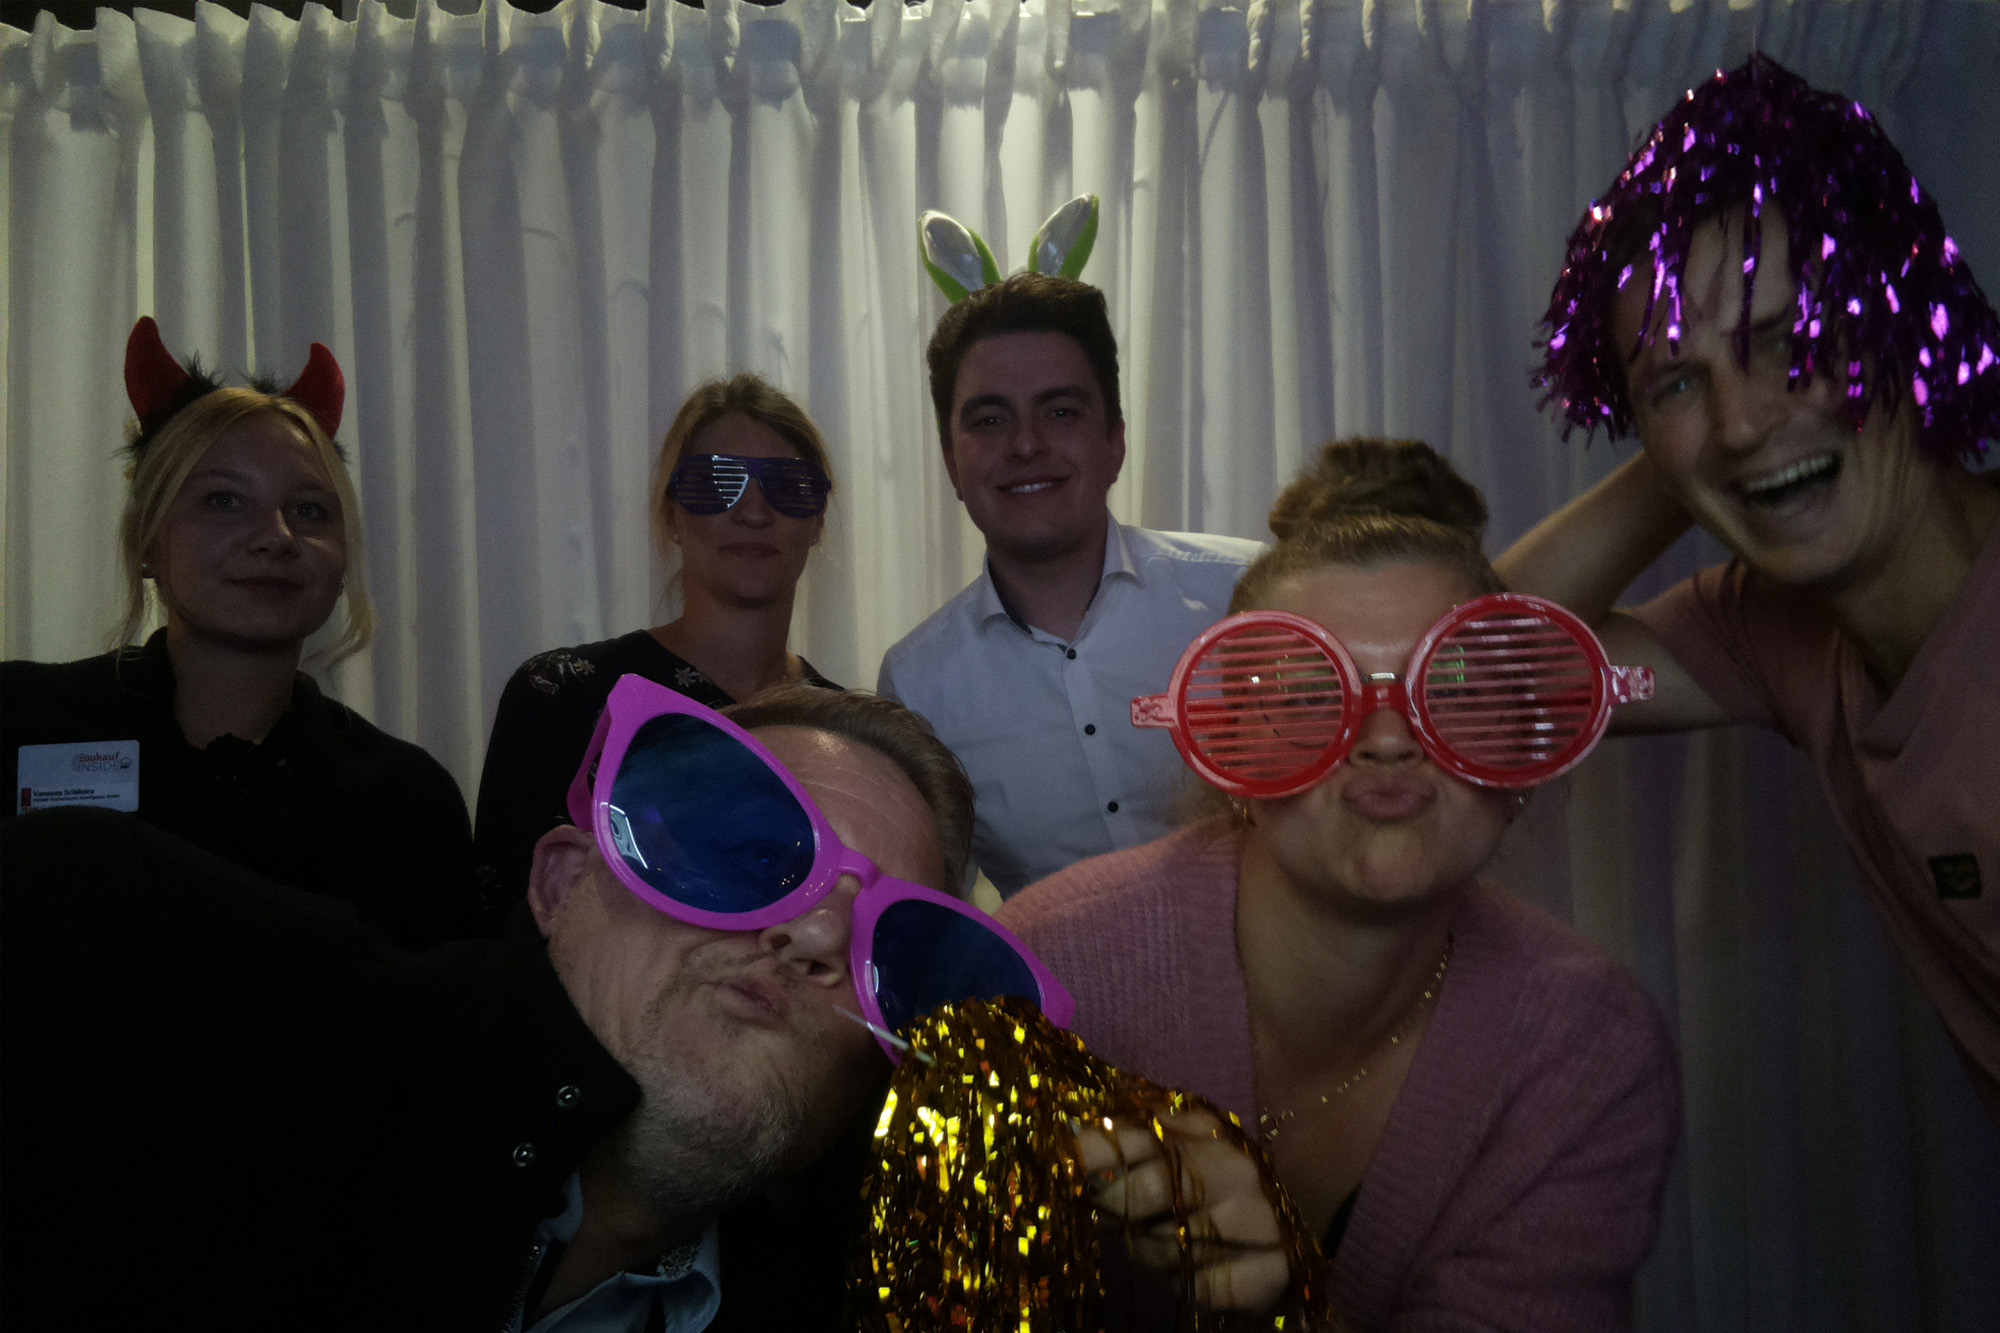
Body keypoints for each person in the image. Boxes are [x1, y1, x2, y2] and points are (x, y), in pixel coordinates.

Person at [1, 683, 1066, 1332]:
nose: (820, 935)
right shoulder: (127, 966)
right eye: (752, 851)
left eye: (891, 942)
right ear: (560, 883)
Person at [1000, 439, 1681, 1329]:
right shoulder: (1046, 972)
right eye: (1311, 691)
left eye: (1450, 685)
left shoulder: (1587, 1049)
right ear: (1229, 754)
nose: (1389, 738)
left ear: (1519, 754)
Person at [1499, 54, 2000, 1122]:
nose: (1738, 417)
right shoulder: (1780, 633)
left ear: (1906, 327)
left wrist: (1710, 422)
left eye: (1789, 342)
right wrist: (1702, 454)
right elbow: (1481, 676)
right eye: (1678, 384)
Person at [0, 316, 479, 948]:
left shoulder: (407, 798)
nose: (276, 537)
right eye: (223, 500)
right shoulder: (21, 720)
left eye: (309, 510)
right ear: (146, 542)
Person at [878, 273, 1261, 896]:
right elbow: (933, 908)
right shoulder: (918, 683)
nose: (1027, 444)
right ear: (951, 464)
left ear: (1115, 442)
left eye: (1060, 412)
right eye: (990, 419)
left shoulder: (1245, 595)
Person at [476, 374, 841, 915]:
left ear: (817, 520)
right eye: (715, 483)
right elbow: (503, 924)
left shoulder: (848, 732)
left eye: (790, 486)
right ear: (671, 515)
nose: (754, 511)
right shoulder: (560, 696)